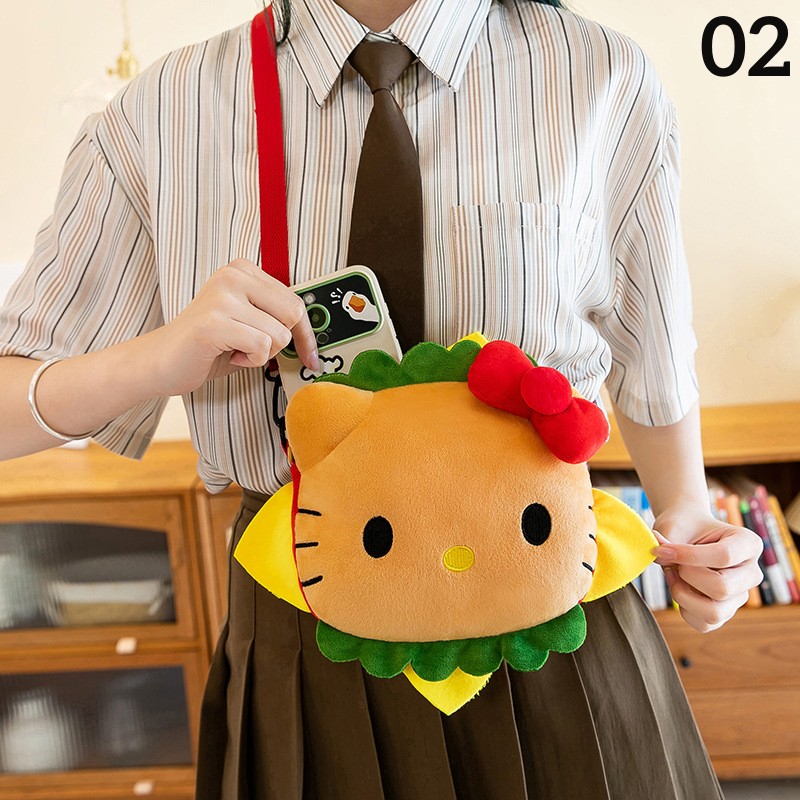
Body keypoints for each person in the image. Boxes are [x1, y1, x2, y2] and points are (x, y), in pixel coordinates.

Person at [0, 0, 763, 797]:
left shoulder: (600, 75)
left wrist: (687, 516)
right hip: (309, 634)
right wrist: (158, 358)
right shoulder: (162, 113)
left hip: (555, 625)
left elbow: (652, 351)